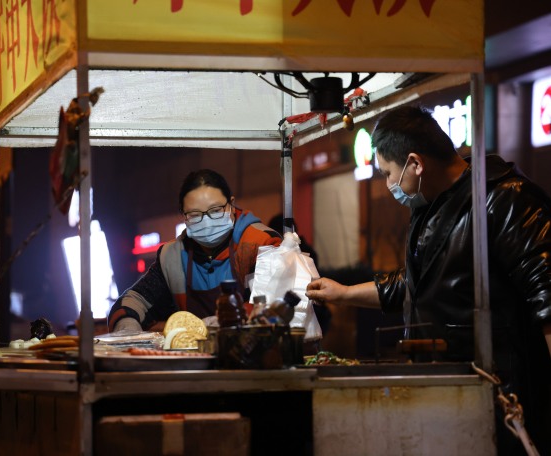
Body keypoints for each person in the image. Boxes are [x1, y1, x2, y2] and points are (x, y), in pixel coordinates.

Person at [306, 105, 551, 455]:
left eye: (388, 173)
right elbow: (416, 284)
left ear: (415, 163)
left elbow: (547, 296)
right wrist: (342, 293)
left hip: (500, 397)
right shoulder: (430, 205)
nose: (388, 184)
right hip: (447, 394)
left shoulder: (505, 199)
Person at [107, 169, 282, 333]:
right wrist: (127, 333)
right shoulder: (172, 256)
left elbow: (273, 307)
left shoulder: (261, 244)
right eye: (195, 214)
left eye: (215, 211)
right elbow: (133, 300)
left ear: (231, 205)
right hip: (193, 360)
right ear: (183, 216)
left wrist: (213, 326)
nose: (206, 220)